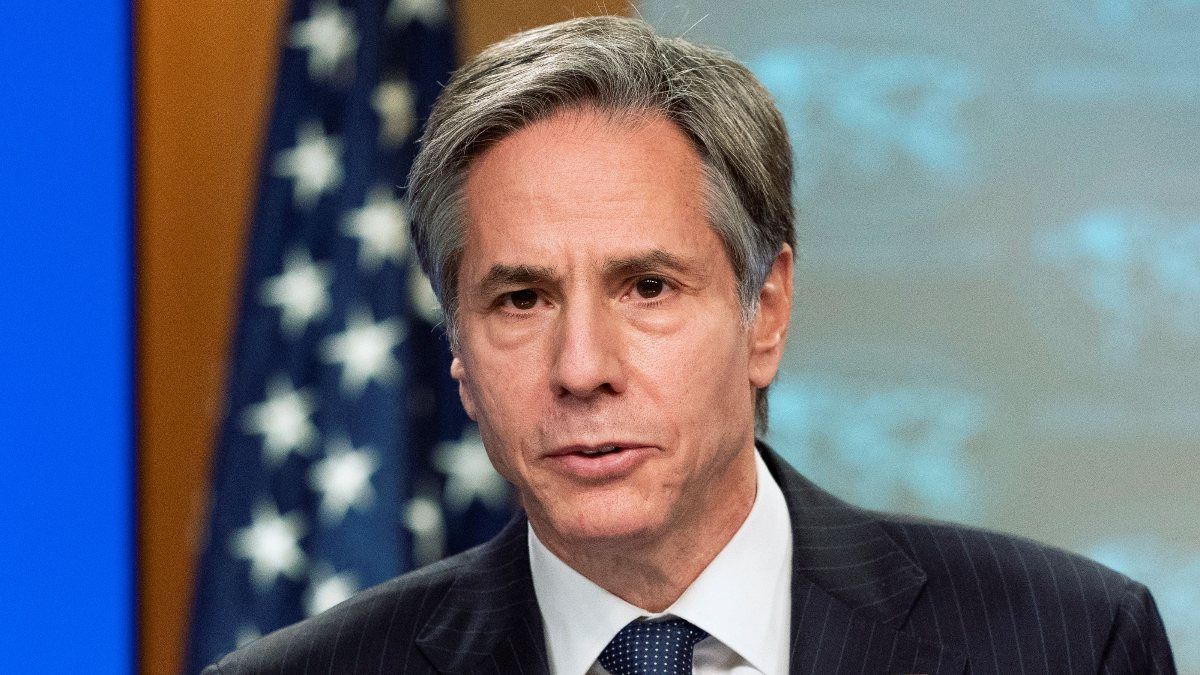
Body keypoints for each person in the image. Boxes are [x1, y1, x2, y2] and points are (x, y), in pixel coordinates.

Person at [205, 16, 1175, 674]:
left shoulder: (1069, 642)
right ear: (457, 351)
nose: (582, 368)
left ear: (767, 313)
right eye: (521, 299)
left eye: (648, 288)